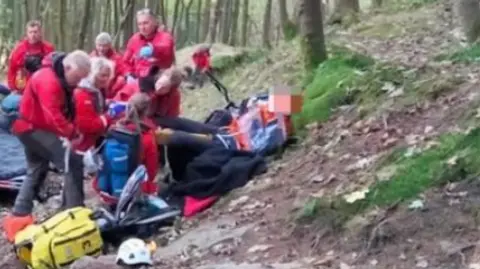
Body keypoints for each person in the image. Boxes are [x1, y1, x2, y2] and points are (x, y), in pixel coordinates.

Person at [2, 50, 91, 242]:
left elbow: (66, 111)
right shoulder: (47, 80)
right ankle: (75, 215)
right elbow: (54, 116)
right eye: (77, 78)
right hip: (30, 127)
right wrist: (73, 134)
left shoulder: (60, 77)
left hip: (30, 126)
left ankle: (19, 214)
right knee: (72, 160)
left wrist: (73, 129)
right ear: (67, 67)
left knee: (37, 168)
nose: (77, 83)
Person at [120, 92, 159, 195]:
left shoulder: (116, 128)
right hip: (134, 188)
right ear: (146, 111)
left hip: (112, 183)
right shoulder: (146, 136)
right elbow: (151, 170)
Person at [74, 57, 115, 152]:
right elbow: (88, 125)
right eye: (102, 75)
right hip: (80, 145)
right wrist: (109, 115)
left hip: (90, 142)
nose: (106, 79)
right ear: (92, 74)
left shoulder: (97, 90)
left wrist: (107, 104)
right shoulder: (82, 94)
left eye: (108, 76)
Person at [123, 8, 175, 79]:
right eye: (139, 24)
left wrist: (153, 49)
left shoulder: (165, 37)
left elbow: (166, 49)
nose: (142, 27)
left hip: (159, 78)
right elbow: (125, 61)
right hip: (138, 78)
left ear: (155, 22)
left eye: (145, 23)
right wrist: (128, 73)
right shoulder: (134, 39)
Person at [7, 20, 55, 93]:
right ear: (27, 33)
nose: (33, 35)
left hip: (42, 85)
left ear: (40, 33)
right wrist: (12, 87)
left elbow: (53, 69)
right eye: (30, 32)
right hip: (22, 86)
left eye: (35, 32)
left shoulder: (48, 48)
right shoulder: (19, 49)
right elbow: (12, 69)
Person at [90, 32, 127, 98]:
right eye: (99, 45)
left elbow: (122, 75)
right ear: (96, 45)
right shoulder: (91, 57)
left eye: (104, 46)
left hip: (111, 90)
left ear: (109, 45)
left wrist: (114, 89)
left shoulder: (117, 59)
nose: (101, 48)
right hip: (94, 89)